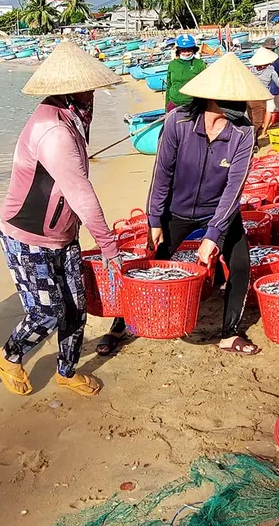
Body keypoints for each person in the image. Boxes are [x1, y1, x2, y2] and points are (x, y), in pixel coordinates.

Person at [101, 53, 267, 356]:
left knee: (241, 264)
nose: (238, 104)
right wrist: (154, 220)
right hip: (176, 210)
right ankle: (120, 325)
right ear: (209, 96)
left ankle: (229, 334)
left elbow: (234, 188)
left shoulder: (243, 132)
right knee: (150, 261)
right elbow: (161, 174)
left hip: (219, 211)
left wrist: (213, 235)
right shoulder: (178, 122)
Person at [0, 42, 121, 396]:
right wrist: (108, 246)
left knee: (76, 307)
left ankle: (66, 370)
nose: (92, 95)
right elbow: (80, 193)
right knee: (46, 312)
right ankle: (8, 356)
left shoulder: (73, 119)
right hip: (26, 236)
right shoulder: (54, 130)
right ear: (69, 91)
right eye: (87, 90)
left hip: (63, 234)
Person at [250, 47, 279, 138]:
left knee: (254, 119)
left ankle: (255, 134)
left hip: (252, 96)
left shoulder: (252, 70)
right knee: (266, 113)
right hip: (265, 94)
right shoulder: (271, 70)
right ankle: (262, 133)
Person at [165, 34, 207, 111]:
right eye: (183, 50)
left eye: (189, 50)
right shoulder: (172, 64)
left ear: (193, 50)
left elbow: (205, 86)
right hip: (174, 102)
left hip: (193, 104)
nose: (186, 53)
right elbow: (169, 86)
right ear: (178, 51)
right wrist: (166, 107)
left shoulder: (200, 64)